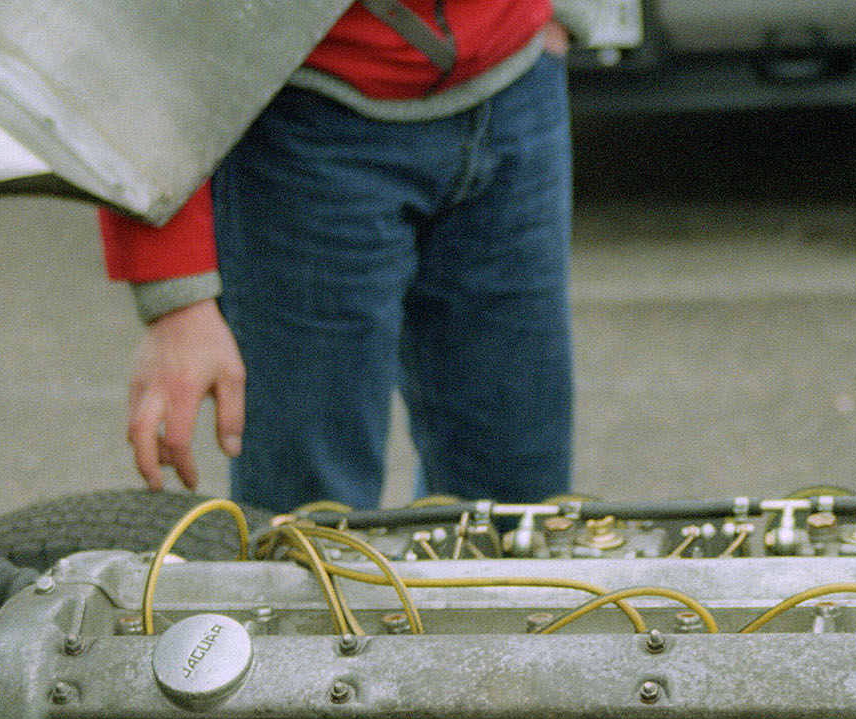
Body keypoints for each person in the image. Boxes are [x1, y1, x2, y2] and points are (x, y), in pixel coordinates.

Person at [98, 1, 599, 513]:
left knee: (520, 512)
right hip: (310, 119)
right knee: (311, 526)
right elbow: (126, 22)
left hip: (517, 80)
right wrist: (174, 290)